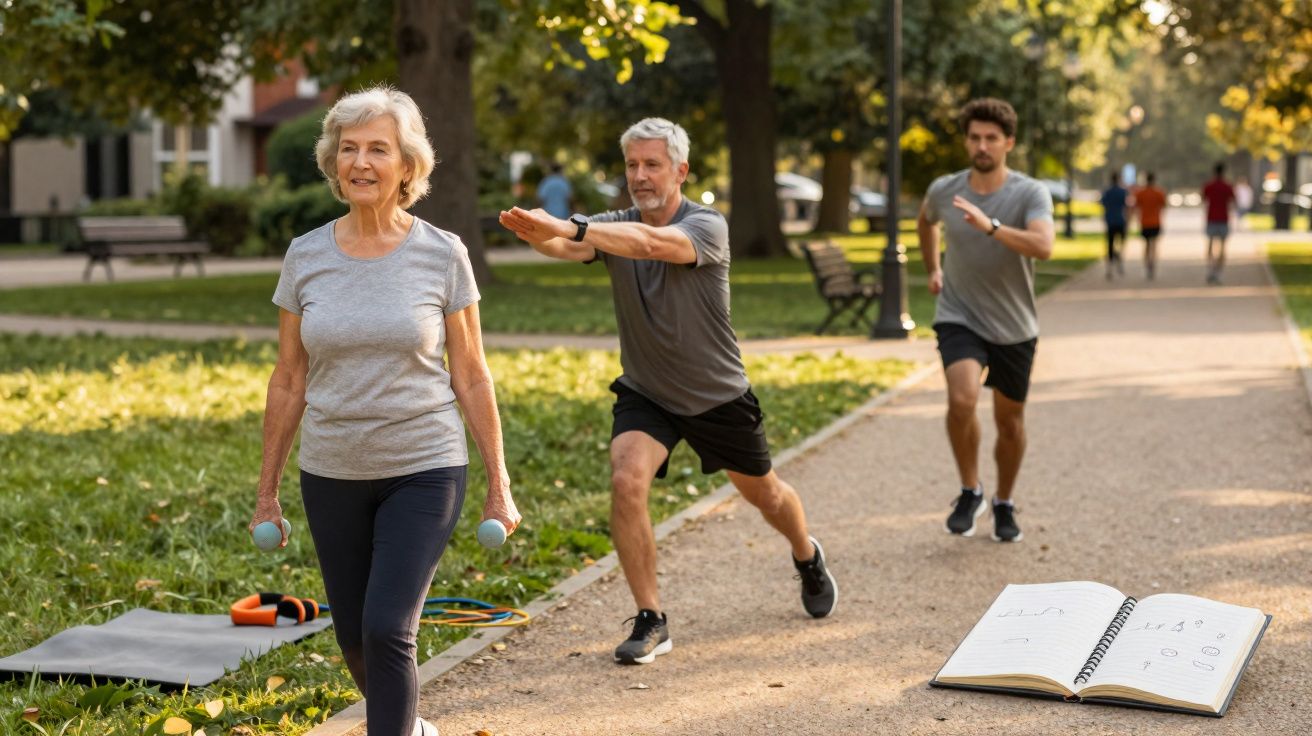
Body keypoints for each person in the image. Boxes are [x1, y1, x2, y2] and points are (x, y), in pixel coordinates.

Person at [498, 117, 837, 666]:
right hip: (647, 391)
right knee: (626, 478)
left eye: (651, 164)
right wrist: (541, 235)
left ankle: (806, 553)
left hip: (716, 394)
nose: (640, 176)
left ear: (680, 170)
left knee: (766, 496)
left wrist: (571, 228)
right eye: (632, 165)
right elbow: (569, 250)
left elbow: (652, 244)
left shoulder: (707, 225)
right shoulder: (612, 223)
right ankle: (652, 617)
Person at [250, 86, 521, 736]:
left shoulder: (442, 253)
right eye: (349, 149)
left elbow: (471, 373)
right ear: (332, 162)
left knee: (386, 628)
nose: (361, 162)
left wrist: (498, 484)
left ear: (408, 166)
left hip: (423, 466)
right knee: (353, 635)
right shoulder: (306, 257)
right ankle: (409, 727)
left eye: (378, 148)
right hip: (332, 468)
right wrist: (266, 494)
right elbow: (289, 380)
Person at [917, 98, 1055, 544]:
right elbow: (926, 221)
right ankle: (970, 489)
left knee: (1010, 422)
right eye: (974, 137)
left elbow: (1043, 246)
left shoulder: (1029, 192)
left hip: (1015, 324)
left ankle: (1004, 501)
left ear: (1008, 143)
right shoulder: (945, 189)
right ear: (966, 141)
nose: (982, 145)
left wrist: (990, 226)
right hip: (959, 314)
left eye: (991, 138)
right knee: (962, 399)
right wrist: (932, 269)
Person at [1201, 163, 1236, 285]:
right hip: (1223, 219)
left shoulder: (1209, 186)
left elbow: (1203, 200)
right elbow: (1233, 201)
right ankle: (1219, 272)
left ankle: (1210, 269)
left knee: (1210, 245)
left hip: (1211, 218)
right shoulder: (1227, 186)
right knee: (1222, 246)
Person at [1133, 172, 1168, 280]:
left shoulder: (1140, 193)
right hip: (1155, 222)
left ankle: (1147, 265)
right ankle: (1153, 265)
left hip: (1144, 222)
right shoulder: (1159, 192)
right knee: (1154, 245)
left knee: (1146, 245)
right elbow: (1164, 207)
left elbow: (1136, 207)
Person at [1100, 172, 1130, 280]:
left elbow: (1102, 204)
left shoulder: (1107, 192)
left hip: (1110, 221)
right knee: (1121, 243)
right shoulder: (1123, 192)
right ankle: (1119, 257)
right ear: (1119, 179)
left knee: (1109, 245)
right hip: (1120, 221)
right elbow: (1127, 206)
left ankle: (1109, 269)